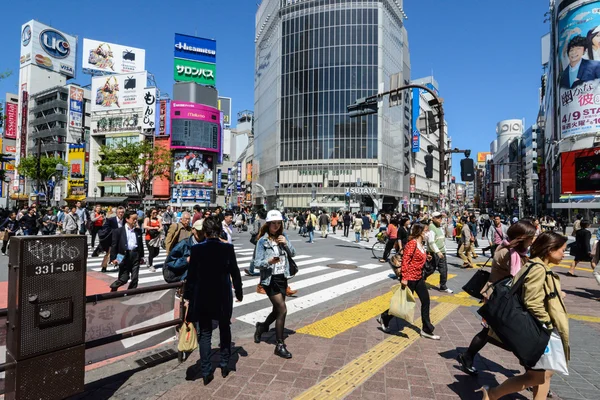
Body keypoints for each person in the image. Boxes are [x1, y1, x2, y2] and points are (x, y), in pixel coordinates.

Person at [477, 231, 569, 400]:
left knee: (543, 374)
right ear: (550, 249)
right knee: (537, 376)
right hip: (536, 329)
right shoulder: (539, 269)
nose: (564, 254)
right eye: (562, 249)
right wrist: (547, 323)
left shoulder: (535, 264)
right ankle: (491, 394)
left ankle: (491, 394)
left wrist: (555, 294)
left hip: (533, 328)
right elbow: (531, 300)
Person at [457, 220, 537, 376]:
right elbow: (520, 277)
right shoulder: (509, 253)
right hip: (499, 298)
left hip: (504, 297)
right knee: (506, 333)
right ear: (521, 238)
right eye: (531, 237)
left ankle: (467, 356)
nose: (533, 240)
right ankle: (532, 374)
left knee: (491, 332)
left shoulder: (515, 251)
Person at [184, 216, 243, 385]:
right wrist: (238, 292)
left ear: (205, 231)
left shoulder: (197, 250)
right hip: (223, 295)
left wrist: (188, 297)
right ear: (219, 231)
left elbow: (191, 278)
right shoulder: (227, 248)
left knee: (205, 333)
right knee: (224, 327)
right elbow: (235, 272)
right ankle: (224, 364)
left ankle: (206, 371)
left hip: (202, 295)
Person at [377, 223, 440, 340]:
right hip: (410, 278)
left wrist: (427, 257)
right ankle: (385, 317)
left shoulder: (421, 244)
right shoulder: (412, 244)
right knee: (403, 304)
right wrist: (404, 278)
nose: (428, 233)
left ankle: (426, 329)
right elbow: (405, 261)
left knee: (425, 301)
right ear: (420, 232)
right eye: (426, 231)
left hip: (419, 277)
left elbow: (417, 257)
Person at [253, 210, 296, 358]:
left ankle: (262, 327)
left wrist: (287, 244)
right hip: (269, 280)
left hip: (282, 278)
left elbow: (294, 253)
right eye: (273, 223)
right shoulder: (262, 241)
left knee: (277, 310)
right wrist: (269, 261)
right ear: (268, 224)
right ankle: (279, 344)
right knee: (282, 310)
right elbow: (256, 263)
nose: (276, 226)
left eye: (279, 223)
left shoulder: (283, 237)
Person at [109, 210, 145, 291]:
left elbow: (140, 245)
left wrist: (142, 257)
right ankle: (114, 287)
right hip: (122, 255)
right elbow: (114, 246)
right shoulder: (118, 231)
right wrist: (113, 258)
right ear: (127, 219)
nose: (135, 221)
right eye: (133, 219)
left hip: (135, 255)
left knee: (135, 278)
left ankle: (130, 293)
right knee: (123, 278)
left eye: (136, 219)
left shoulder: (138, 231)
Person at [164, 219, 205, 283]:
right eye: (198, 230)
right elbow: (170, 262)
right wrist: (186, 260)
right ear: (193, 230)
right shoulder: (183, 244)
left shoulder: (208, 244)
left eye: (203, 231)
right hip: (186, 281)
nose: (200, 233)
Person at [427, 212, 453, 293]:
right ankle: (420, 280)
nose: (440, 219)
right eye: (437, 217)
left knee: (444, 270)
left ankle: (443, 286)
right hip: (434, 252)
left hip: (442, 252)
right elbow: (431, 242)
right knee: (430, 269)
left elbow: (442, 239)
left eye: (440, 217)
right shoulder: (431, 227)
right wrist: (437, 252)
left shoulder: (440, 227)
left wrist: (444, 250)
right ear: (433, 218)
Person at [96, 206, 125, 272]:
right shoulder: (111, 220)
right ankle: (104, 266)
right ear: (116, 213)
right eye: (119, 212)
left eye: (122, 212)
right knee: (109, 253)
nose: (121, 214)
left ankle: (118, 264)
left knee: (121, 253)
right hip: (112, 239)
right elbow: (105, 228)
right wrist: (113, 231)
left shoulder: (125, 220)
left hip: (121, 239)